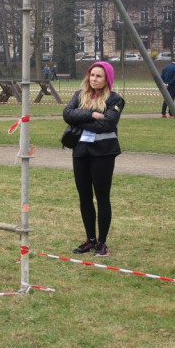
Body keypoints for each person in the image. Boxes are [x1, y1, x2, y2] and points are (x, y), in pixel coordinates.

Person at [64, 61, 125, 257]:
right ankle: (90, 240)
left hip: (103, 153)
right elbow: (67, 114)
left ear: (107, 78)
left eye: (99, 76)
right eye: (92, 75)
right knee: (84, 197)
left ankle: (102, 242)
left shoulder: (115, 99)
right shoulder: (80, 95)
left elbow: (107, 125)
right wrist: (91, 114)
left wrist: (80, 120)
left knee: (102, 197)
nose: (94, 79)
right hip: (81, 152)